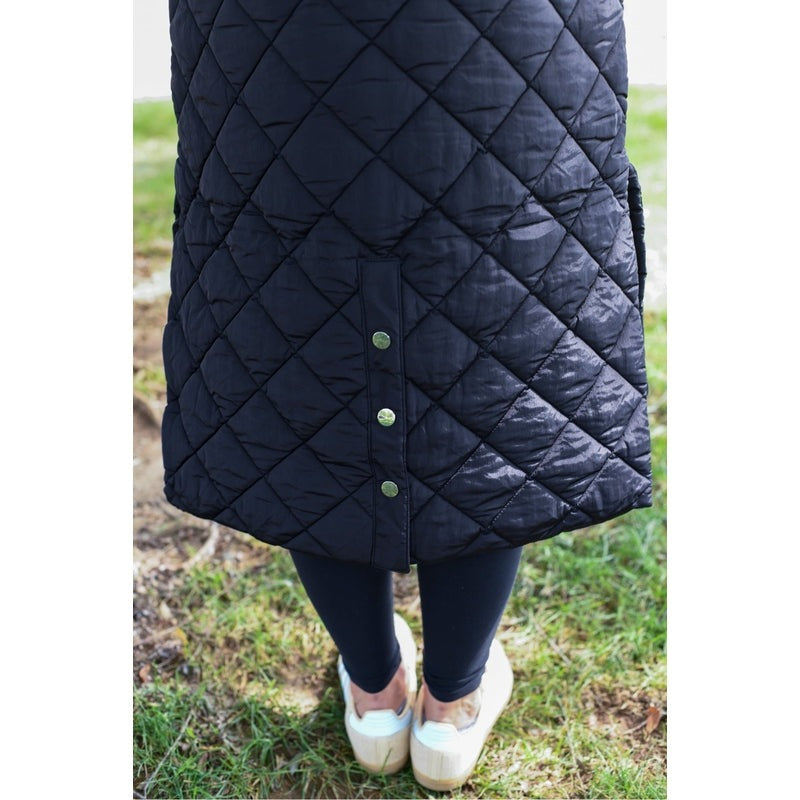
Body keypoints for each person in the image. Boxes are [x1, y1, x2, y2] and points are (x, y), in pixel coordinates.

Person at [161, 0, 651, 791]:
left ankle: (376, 700)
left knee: (303, 351)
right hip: (507, 44)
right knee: (487, 360)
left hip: (274, 41)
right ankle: (450, 709)